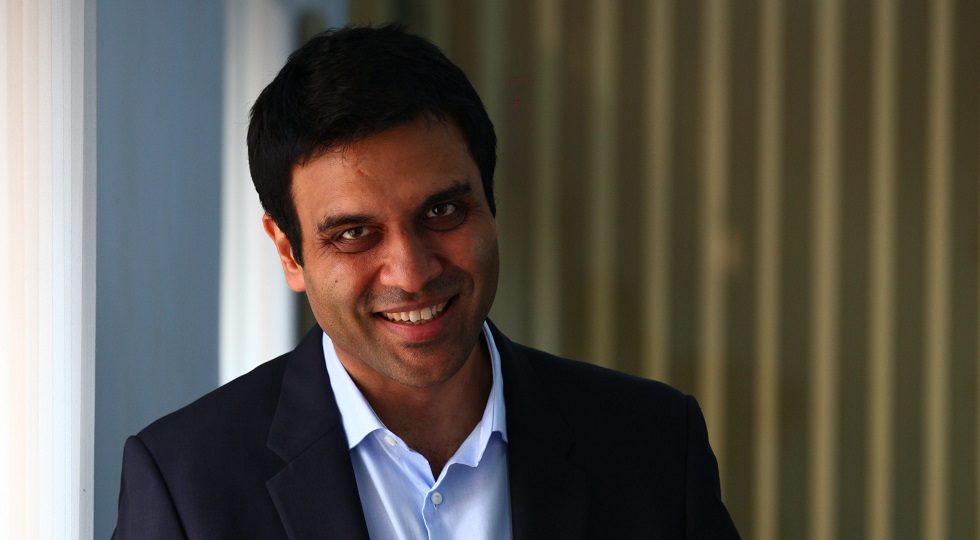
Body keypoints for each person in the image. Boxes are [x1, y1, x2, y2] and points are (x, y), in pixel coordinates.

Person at [113, 25, 739, 539]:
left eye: (441, 212)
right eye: (354, 233)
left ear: (491, 206)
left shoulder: (655, 446)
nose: (411, 273)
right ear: (289, 252)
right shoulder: (185, 485)